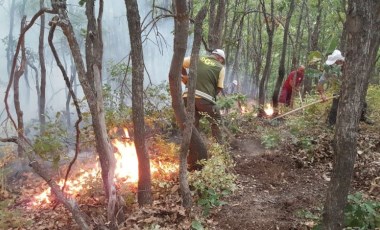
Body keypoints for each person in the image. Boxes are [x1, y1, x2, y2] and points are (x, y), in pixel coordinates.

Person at [316, 49, 373, 125]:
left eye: (339, 62)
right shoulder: (329, 69)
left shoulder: (351, 66)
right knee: (335, 109)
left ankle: (362, 117)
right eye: (335, 62)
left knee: (363, 103)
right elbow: (320, 83)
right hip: (338, 90)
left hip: (352, 90)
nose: (338, 64)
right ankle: (331, 125)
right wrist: (322, 95)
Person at [181, 49, 226, 143]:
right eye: (222, 60)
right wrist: (212, 96)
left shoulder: (198, 58)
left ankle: (194, 148)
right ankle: (219, 148)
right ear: (219, 58)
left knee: (192, 123)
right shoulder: (220, 67)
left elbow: (180, 63)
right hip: (205, 98)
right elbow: (219, 88)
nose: (222, 62)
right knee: (216, 120)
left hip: (187, 96)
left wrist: (186, 78)